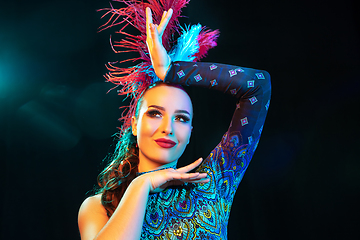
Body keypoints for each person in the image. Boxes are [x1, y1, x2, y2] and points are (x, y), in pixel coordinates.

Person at [78, 2, 271, 240]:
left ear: (190, 132)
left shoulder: (214, 181)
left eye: (180, 118)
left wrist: (172, 71)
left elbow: (258, 85)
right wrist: (141, 186)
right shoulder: (98, 207)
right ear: (135, 124)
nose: (168, 128)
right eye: (155, 113)